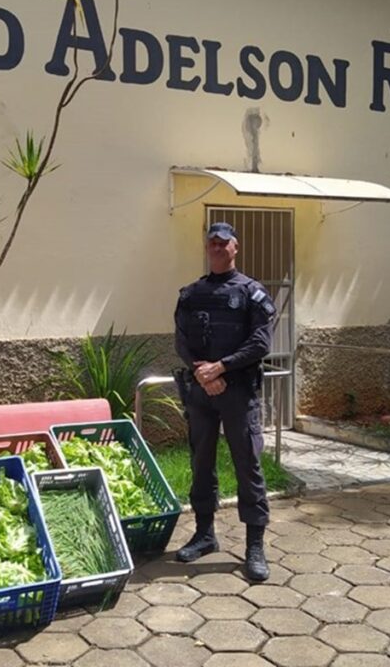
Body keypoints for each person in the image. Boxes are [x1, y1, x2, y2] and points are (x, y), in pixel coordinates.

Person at [173, 222, 276, 582]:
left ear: (236, 247)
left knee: (247, 464)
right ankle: (204, 535)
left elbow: (261, 343)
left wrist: (222, 368)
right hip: (202, 392)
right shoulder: (191, 293)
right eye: (212, 242)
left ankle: (255, 546)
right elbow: (182, 341)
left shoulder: (252, 293)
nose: (217, 248)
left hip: (238, 392)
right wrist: (202, 371)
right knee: (201, 463)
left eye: (223, 242)